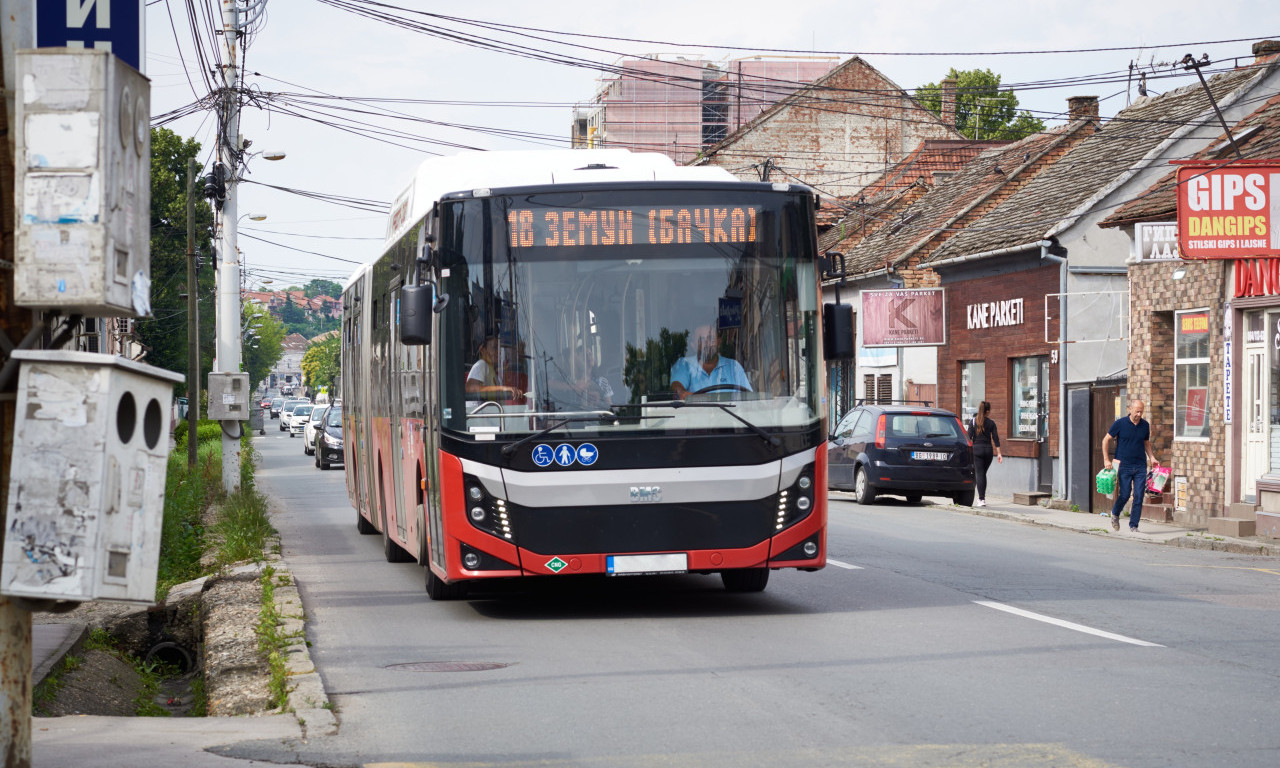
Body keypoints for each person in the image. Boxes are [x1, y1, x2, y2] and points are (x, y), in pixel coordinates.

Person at [1101, 398, 1158, 533]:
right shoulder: (1120, 424)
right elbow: (1106, 440)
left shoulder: (1145, 425)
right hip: (1124, 465)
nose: (1139, 414)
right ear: (1130, 409)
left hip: (1140, 465)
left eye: (1141, 412)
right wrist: (1106, 459)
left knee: (1139, 495)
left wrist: (1152, 458)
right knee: (1125, 494)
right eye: (1137, 411)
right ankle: (1115, 513)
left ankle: (1134, 525)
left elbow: (1146, 443)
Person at [670, 324, 752, 399]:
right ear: (693, 346)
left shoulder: (734, 367)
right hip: (695, 414)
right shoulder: (685, 364)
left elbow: (749, 398)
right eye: (701, 339)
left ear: (719, 342)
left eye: (710, 338)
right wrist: (681, 393)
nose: (706, 343)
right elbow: (677, 386)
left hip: (732, 415)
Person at [967, 401, 1002, 507]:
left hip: (977, 450)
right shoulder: (991, 423)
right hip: (988, 451)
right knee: (982, 474)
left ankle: (981, 499)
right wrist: (999, 453)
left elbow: (969, 438)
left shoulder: (973, 422)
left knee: (980, 474)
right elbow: (995, 438)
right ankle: (982, 498)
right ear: (987, 411)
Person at [466, 336, 520, 401]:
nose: (498, 351)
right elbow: (470, 388)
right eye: (494, 347)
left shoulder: (494, 373)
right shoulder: (481, 364)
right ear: (482, 350)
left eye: (499, 348)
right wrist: (503, 388)